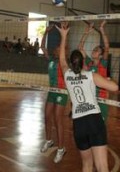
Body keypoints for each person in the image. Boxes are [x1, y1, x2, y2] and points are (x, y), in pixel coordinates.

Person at [56, 22, 118, 172]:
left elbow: (62, 60)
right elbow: (115, 88)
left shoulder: (67, 75)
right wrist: (108, 80)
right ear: (84, 62)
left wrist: (63, 36)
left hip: (79, 123)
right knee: (102, 166)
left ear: (72, 64)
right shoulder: (91, 75)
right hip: (94, 119)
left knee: (86, 165)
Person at [40, 24, 68, 164]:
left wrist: (64, 35)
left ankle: (61, 148)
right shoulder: (51, 60)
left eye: (58, 49)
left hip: (62, 91)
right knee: (46, 116)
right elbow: (42, 47)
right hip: (52, 91)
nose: (55, 50)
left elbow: (64, 48)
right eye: (56, 49)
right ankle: (49, 140)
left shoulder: (64, 62)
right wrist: (45, 32)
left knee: (58, 119)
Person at [78, 21, 110, 121]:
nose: (93, 50)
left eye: (96, 50)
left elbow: (107, 47)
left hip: (101, 99)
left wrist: (101, 29)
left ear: (100, 55)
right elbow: (80, 48)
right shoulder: (89, 62)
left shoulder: (103, 64)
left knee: (101, 125)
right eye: (94, 49)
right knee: (91, 124)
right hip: (90, 98)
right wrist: (86, 32)